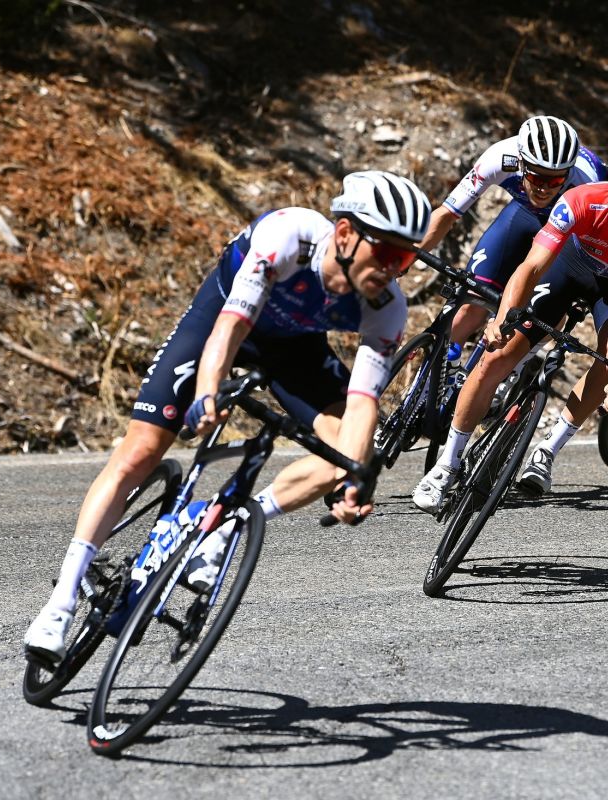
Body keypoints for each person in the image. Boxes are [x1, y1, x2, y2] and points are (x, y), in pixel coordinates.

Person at [23, 171, 431, 663]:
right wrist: (207, 391)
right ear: (344, 234)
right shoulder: (289, 236)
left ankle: (223, 525)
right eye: (385, 252)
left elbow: (364, 402)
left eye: (404, 259)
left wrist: (354, 479)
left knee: (344, 457)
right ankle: (61, 602)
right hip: (222, 320)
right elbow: (230, 327)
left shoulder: (386, 306)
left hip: (295, 350)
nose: (392, 269)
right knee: (140, 452)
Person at [411, 134, 608, 509]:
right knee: (495, 358)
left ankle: (548, 449)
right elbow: (532, 266)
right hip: (570, 268)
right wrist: (503, 318)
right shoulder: (582, 201)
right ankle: (446, 465)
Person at [417, 115, 608, 395]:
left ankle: (514, 368)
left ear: (568, 173)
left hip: (570, 234)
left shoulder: (588, 183)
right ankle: (427, 387)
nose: (544, 188)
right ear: (521, 164)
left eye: (555, 180)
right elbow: (447, 214)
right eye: (536, 177)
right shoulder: (499, 158)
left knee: (546, 308)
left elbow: (585, 258)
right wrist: (406, 257)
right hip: (524, 215)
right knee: (473, 298)